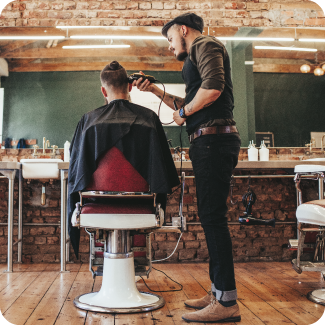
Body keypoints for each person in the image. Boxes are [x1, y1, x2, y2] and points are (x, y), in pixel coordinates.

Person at [133, 13, 241, 323]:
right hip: (208, 141)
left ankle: (226, 302)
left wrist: (184, 111)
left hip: (213, 142)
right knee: (211, 218)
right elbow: (190, 102)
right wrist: (154, 91)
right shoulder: (197, 56)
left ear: (183, 30)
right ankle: (219, 291)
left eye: (169, 39)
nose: (169, 47)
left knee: (213, 218)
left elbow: (213, 91)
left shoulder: (203, 45)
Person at [68, 61, 180, 258]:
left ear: (103, 91)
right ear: (130, 86)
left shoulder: (88, 121)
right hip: (142, 203)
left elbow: (77, 170)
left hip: (96, 203)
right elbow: (162, 171)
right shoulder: (149, 119)